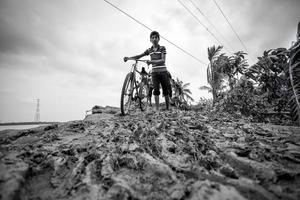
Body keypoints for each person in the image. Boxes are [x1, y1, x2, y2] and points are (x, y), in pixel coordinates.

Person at [124, 31, 170, 111]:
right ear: (150, 40)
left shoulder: (162, 48)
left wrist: (151, 62)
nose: (154, 39)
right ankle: (157, 109)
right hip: (154, 73)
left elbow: (163, 60)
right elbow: (139, 56)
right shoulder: (149, 50)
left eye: (156, 37)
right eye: (153, 37)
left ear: (159, 39)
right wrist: (129, 58)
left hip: (163, 71)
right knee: (156, 90)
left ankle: (167, 108)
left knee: (165, 90)